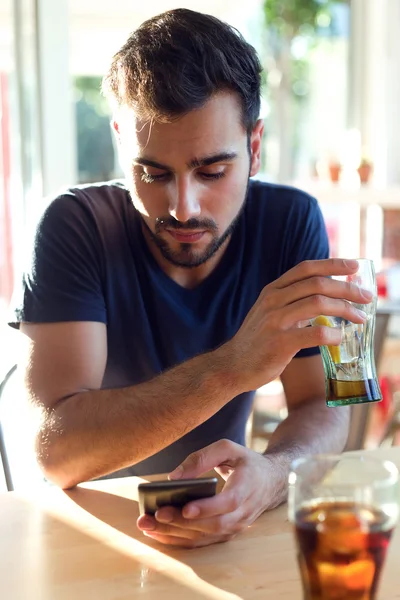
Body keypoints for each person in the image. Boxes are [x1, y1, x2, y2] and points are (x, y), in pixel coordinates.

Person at [9, 9, 372, 548]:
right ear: (119, 142)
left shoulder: (292, 221)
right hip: (85, 533)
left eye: (211, 172)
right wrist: (232, 367)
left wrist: (275, 474)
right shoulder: (73, 225)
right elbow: (54, 449)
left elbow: (325, 402)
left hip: (226, 538)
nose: (182, 208)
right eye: (151, 173)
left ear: (254, 145)